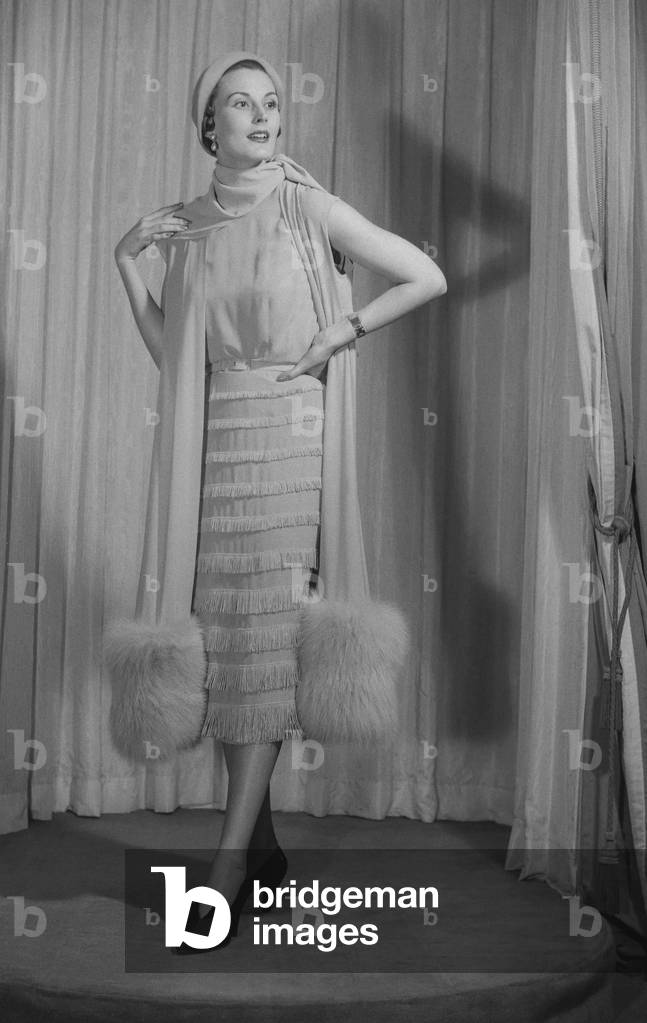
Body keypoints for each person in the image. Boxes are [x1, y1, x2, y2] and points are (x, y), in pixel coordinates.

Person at [113, 51, 447, 951]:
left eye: (270, 104)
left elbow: (425, 273)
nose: (262, 117)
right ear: (206, 126)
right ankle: (260, 851)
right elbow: (177, 356)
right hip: (218, 441)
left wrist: (346, 328)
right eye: (240, 105)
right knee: (226, 640)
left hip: (290, 440)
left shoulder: (307, 203)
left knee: (266, 632)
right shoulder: (184, 225)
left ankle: (223, 872)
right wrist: (127, 265)